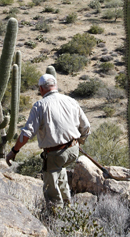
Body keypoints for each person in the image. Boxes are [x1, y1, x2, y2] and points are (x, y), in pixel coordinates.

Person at [6, 73, 90, 207]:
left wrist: (14, 151)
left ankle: (56, 215)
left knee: (50, 187)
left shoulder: (39, 105)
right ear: (55, 86)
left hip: (55, 153)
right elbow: (86, 126)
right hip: (73, 150)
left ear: (41, 89)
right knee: (60, 170)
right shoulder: (70, 100)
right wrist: (80, 141)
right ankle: (68, 207)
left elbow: (27, 133)